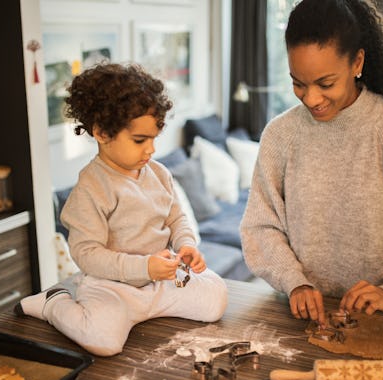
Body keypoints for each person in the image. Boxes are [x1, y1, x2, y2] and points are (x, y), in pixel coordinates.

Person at [240, 0, 383, 325]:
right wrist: (295, 282)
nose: (312, 98)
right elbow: (261, 226)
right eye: (298, 83)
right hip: (302, 319)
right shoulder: (280, 135)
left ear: (357, 61)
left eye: (325, 83)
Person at [15, 63, 227, 356]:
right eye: (140, 140)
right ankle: (53, 304)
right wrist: (143, 267)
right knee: (104, 342)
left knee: (216, 298)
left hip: (159, 281)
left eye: (154, 138)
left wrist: (186, 244)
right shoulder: (91, 187)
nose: (150, 149)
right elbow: (87, 254)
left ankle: (143, 312)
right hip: (111, 286)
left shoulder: (160, 173)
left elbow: (176, 218)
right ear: (102, 133)